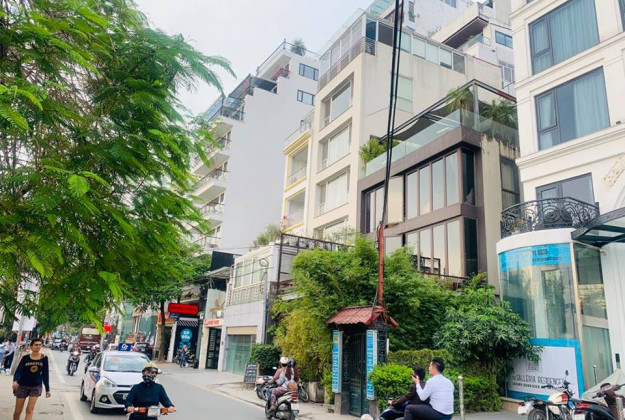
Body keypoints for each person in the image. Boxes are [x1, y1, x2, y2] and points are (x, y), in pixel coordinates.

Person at [12, 338, 50, 420]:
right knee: (18, 410)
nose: (38, 346)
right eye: (36, 345)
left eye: (40, 345)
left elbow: (45, 374)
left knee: (30, 410)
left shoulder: (44, 358)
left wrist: (47, 389)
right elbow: (19, 371)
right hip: (22, 385)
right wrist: (15, 381)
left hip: (36, 386)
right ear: (31, 347)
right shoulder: (25, 358)